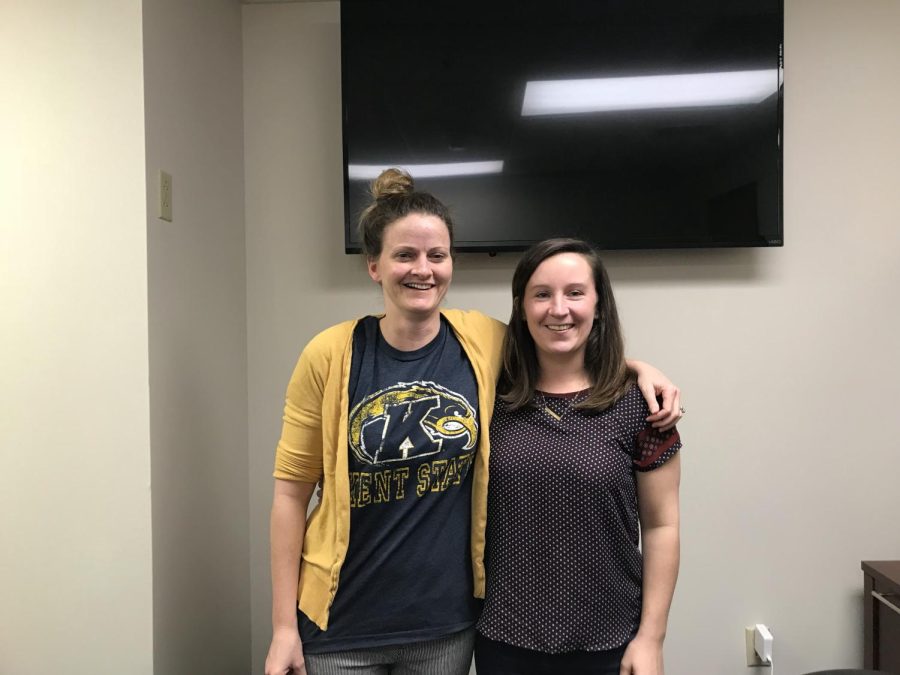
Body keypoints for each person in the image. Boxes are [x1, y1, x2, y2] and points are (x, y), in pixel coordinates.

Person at [265, 171, 682, 675]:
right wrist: (284, 628)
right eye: (405, 255)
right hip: (341, 628)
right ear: (374, 266)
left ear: (451, 264)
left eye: (436, 256)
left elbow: (562, 346)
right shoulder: (330, 355)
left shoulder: (484, 344)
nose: (423, 270)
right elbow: (290, 496)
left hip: (446, 628)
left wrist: (638, 371)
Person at [474, 238, 682, 675]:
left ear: (598, 305)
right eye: (542, 294)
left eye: (575, 292)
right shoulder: (489, 395)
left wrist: (651, 638)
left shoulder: (641, 405)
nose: (558, 309)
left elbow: (662, 526)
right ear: (522, 306)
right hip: (504, 640)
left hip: (609, 644)